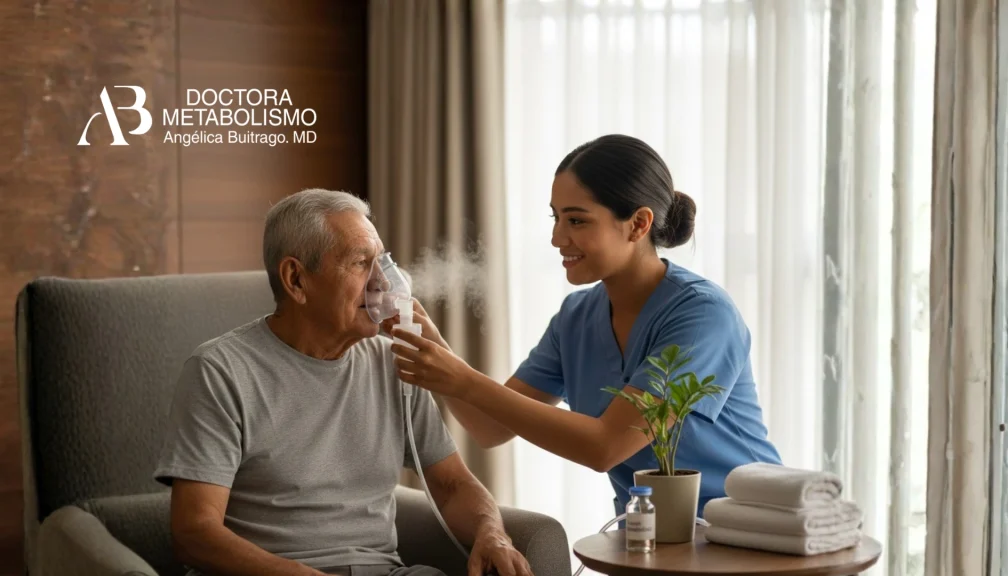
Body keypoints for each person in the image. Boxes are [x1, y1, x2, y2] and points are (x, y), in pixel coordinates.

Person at [387, 134, 783, 520]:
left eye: (576, 220)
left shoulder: (702, 316)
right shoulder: (576, 318)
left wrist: (463, 379)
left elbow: (606, 446)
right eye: (556, 217)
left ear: (638, 224)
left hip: (749, 531)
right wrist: (430, 345)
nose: (558, 237)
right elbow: (490, 427)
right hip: (654, 538)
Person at [153, 189, 533, 576]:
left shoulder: (397, 363)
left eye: (382, 261)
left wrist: (492, 532)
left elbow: (452, 485)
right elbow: (194, 532)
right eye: (360, 263)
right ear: (296, 279)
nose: (384, 282)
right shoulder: (220, 371)